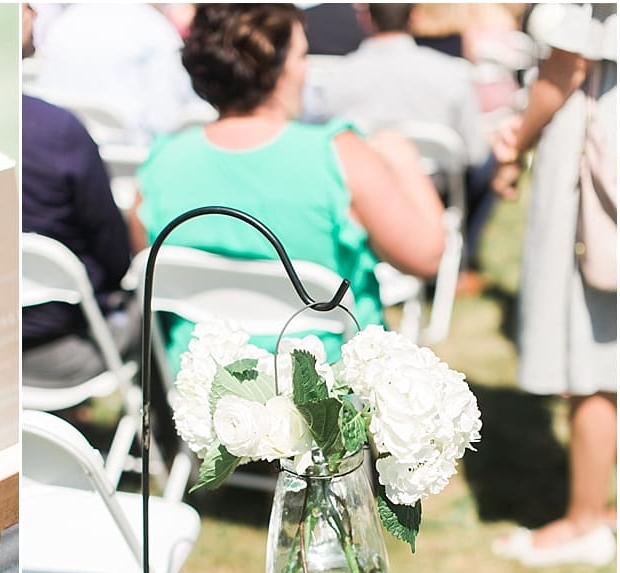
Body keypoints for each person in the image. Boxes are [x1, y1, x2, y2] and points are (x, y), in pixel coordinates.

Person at [129, 3, 446, 371]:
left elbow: (151, 265)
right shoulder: (337, 155)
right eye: (301, 55)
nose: (307, 68)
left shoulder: (162, 162)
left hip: (207, 385)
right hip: (328, 392)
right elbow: (426, 256)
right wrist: (403, 159)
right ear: (274, 69)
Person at [490, 3, 617, 567]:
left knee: (590, 345)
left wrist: (516, 141)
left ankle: (586, 520)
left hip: (592, 156)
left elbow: (566, 67)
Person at [308, 4, 497, 283]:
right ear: (414, 17)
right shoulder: (451, 74)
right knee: (488, 165)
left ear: (366, 17)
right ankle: (462, 262)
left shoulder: (335, 79)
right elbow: (475, 154)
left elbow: (319, 144)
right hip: (433, 190)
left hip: (357, 193)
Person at [20, 2, 139, 389]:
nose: (34, 11)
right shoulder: (54, 131)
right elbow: (114, 253)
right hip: (60, 347)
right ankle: (160, 441)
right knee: (159, 301)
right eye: (22, 4)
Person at [31, 3, 208, 144]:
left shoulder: (63, 24)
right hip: (126, 169)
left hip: (59, 155)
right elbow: (165, 123)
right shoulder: (155, 30)